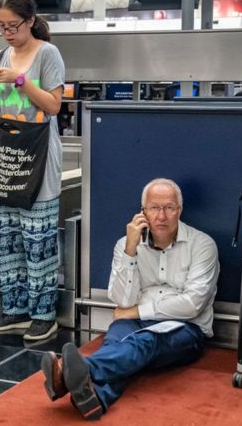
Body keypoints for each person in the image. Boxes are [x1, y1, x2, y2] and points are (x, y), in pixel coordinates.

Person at [41, 178, 220, 419]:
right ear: (143, 211)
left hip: (186, 329)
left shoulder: (202, 245)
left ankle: (77, 372)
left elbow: (192, 305)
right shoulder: (126, 244)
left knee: (142, 343)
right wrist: (130, 252)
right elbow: (122, 300)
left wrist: (137, 312)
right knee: (118, 348)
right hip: (132, 319)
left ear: (180, 210)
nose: (162, 216)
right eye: (154, 208)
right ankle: (95, 398)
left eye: (169, 208)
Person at [0, 0, 65, 341]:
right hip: (6, 152)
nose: (7, 33)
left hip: (38, 152)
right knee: (7, 237)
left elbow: (54, 106)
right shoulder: (0, 55)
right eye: (1, 27)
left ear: (30, 22)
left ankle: (44, 314)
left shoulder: (48, 54)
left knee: (37, 236)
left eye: (13, 26)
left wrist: (19, 79)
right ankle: (14, 309)